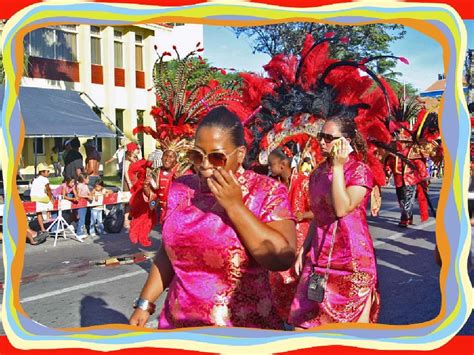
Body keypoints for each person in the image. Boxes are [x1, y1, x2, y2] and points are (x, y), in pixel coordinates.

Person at [129, 107, 297, 329]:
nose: (204, 165)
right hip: (180, 327)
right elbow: (168, 252)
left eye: (216, 157)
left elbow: (282, 258)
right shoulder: (180, 190)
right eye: (197, 155)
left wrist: (235, 206)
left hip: (242, 332)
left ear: (240, 155)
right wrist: (145, 304)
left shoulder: (265, 191)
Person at [288, 117, 380, 328]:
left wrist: (338, 168)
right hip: (319, 261)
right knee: (301, 325)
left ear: (346, 141)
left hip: (352, 264)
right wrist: (305, 249)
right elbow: (319, 216)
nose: (322, 142)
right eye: (321, 136)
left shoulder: (359, 171)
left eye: (329, 138)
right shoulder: (317, 174)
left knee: (353, 334)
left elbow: (341, 208)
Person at [267, 147, 313, 321]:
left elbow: (319, 211)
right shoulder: (273, 184)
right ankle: (283, 320)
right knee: (277, 282)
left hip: (301, 243)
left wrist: (304, 215)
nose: (270, 168)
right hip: (281, 240)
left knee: (298, 284)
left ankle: (299, 320)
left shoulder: (304, 182)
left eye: (272, 164)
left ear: (283, 164)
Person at [30, 162, 54, 233]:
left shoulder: (35, 179)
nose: (49, 173)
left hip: (33, 197)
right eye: (48, 171)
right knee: (50, 205)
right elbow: (48, 190)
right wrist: (51, 198)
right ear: (42, 172)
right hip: (41, 197)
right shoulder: (45, 179)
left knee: (39, 213)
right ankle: (48, 218)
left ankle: (42, 228)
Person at [75, 173, 92, 240]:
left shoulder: (86, 186)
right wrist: (87, 196)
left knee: (83, 218)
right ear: (83, 179)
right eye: (87, 178)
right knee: (81, 218)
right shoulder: (79, 186)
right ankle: (79, 233)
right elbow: (78, 195)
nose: (88, 180)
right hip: (80, 204)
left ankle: (81, 231)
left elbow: (89, 192)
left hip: (85, 205)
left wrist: (91, 195)